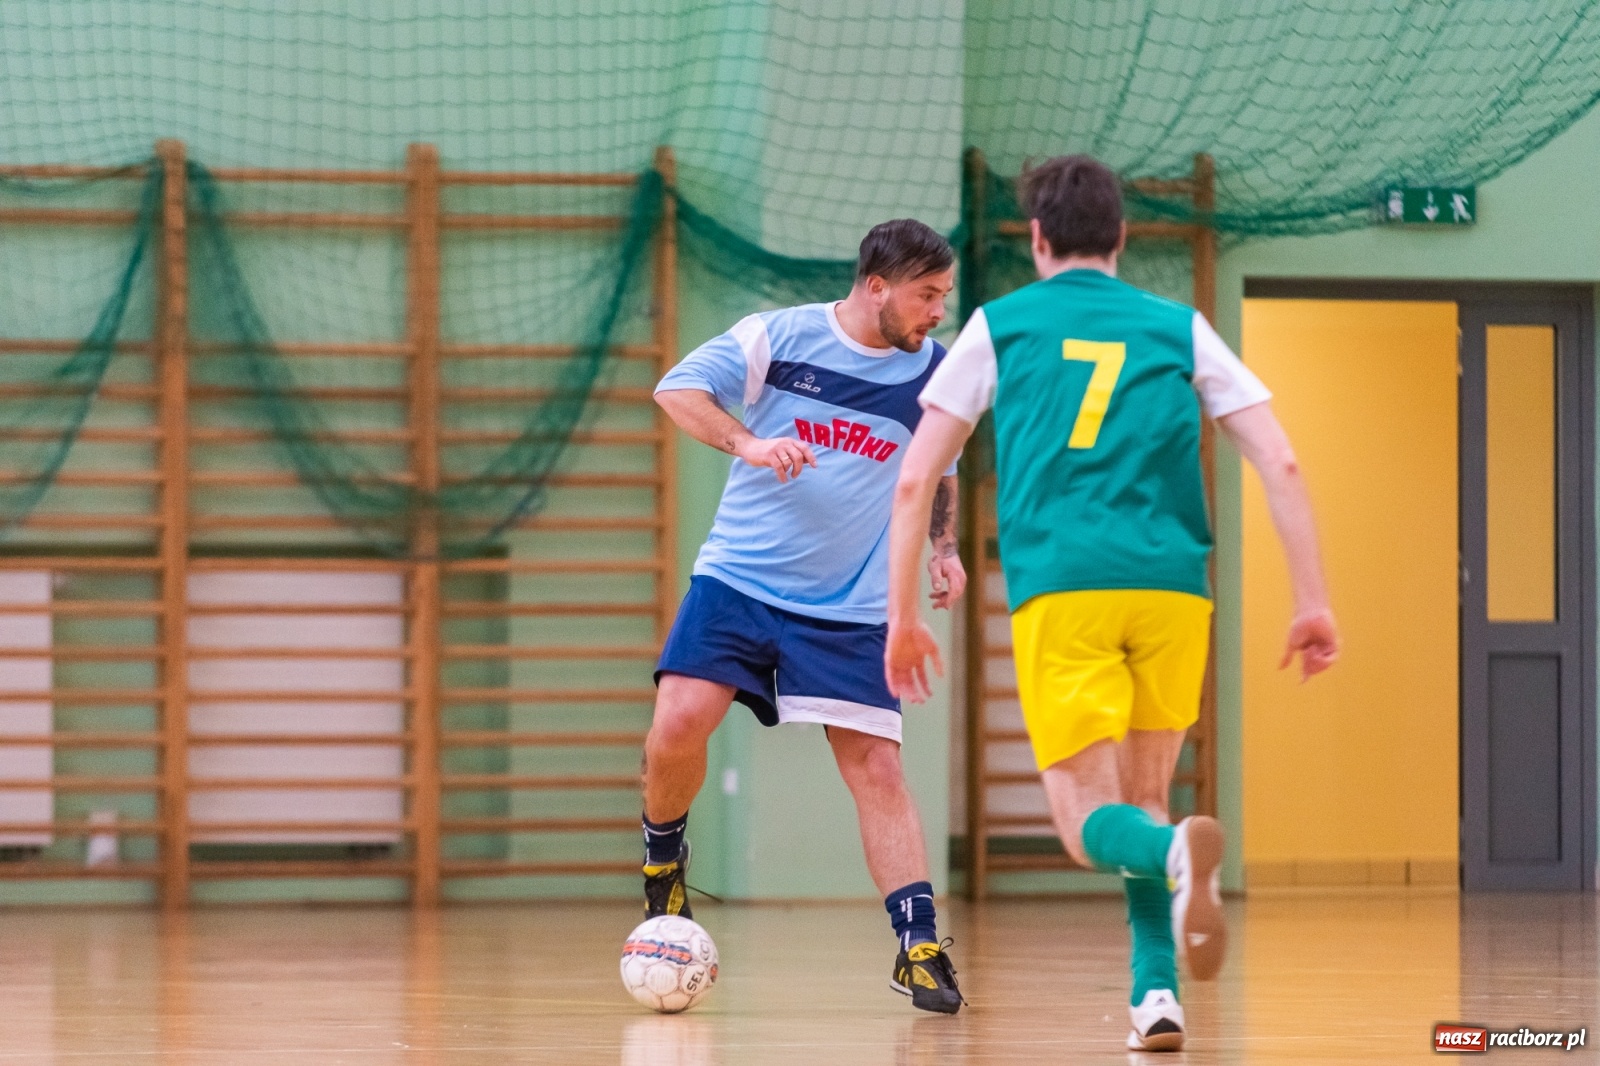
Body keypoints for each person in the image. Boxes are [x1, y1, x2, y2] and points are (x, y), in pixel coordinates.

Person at [883, 156, 1340, 1050]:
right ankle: (1155, 999)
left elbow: (915, 480)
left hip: (1066, 587)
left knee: (1090, 824)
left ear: (1039, 241)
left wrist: (903, 616)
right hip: (1175, 592)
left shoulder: (1000, 326)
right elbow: (1278, 460)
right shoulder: (1181, 326)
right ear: (1124, 239)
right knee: (1145, 798)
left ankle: (1172, 864)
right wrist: (1312, 600)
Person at [643, 219, 968, 1013]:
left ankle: (918, 943)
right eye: (926, 296)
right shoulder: (777, 337)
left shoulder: (937, 373)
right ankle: (663, 862)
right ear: (877, 286)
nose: (936, 313)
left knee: (878, 768)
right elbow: (676, 391)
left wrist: (942, 548)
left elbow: (940, 471)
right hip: (741, 579)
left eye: (943, 299)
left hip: (852, 605)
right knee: (680, 720)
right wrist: (748, 444)